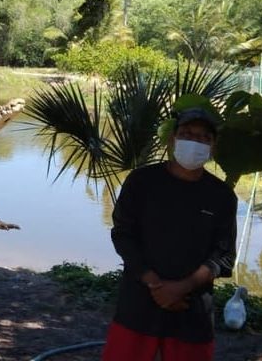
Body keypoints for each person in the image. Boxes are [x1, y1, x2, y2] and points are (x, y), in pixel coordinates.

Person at [102, 106, 238, 361]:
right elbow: (123, 234)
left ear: (213, 147)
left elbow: (223, 255)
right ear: (171, 140)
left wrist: (181, 288)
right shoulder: (141, 182)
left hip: (193, 309)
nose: (195, 142)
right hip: (138, 302)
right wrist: (154, 282)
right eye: (187, 134)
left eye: (204, 138)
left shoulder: (222, 196)